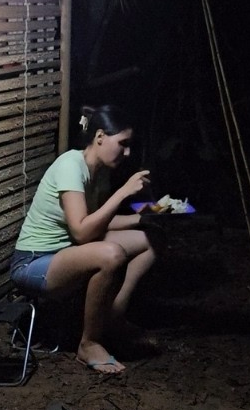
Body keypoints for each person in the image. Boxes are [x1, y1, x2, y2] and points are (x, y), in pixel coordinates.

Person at [10, 104, 157, 373]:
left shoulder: (99, 173)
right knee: (111, 254)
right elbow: (81, 230)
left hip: (68, 251)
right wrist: (123, 193)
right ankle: (88, 343)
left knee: (148, 240)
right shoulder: (70, 165)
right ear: (100, 136)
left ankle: (111, 319)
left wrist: (142, 219)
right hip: (34, 263)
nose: (127, 153)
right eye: (122, 144)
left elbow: (97, 221)